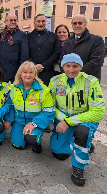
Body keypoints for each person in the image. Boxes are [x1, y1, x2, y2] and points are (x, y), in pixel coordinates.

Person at [49, 53, 105, 186]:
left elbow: (98, 113)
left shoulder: (91, 81)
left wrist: (69, 121)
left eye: (75, 66)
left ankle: (79, 167)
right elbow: (49, 106)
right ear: (63, 67)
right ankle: (80, 142)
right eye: (68, 66)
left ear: (80, 67)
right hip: (63, 118)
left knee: (82, 134)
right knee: (59, 154)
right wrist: (63, 119)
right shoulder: (55, 81)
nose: (71, 70)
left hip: (83, 119)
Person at [4, 61, 55, 153]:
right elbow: (10, 106)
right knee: (18, 145)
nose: (28, 75)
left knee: (31, 139)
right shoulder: (12, 88)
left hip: (34, 121)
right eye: (25, 72)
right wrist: (9, 120)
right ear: (20, 74)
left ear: (35, 74)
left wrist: (34, 123)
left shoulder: (43, 90)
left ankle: (37, 141)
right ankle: (22, 136)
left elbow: (49, 112)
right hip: (18, 121)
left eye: (31, 72)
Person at [63, 14, 105, 81]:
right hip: (70, 80)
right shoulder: (69, 41)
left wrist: (75, 73)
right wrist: (67, 72)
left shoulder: (97, 40)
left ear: (85, 24)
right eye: (74, 23)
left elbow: (96, 62)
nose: (77, 25)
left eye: (80, 23)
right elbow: (63, 58)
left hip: (88, 81)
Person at [27, 14, 60, 85]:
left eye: (43, 21)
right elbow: (25, 52)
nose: (40, 24)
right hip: (31, 71)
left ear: (46, 22)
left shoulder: (53, 36)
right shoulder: (27, 37)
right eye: (38, 21)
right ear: (34, 22)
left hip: (48, 72)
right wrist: (33, 65)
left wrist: (44, 65)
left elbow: (56, 53)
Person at [0, 14, 29, 82]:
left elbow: (24, 54)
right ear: (5, 22)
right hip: (0, 70)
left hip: (14, 71)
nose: (13, 22)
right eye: (11, 20)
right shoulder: (2, 35)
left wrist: (21, 71)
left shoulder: (22, 35)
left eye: (15, 20)